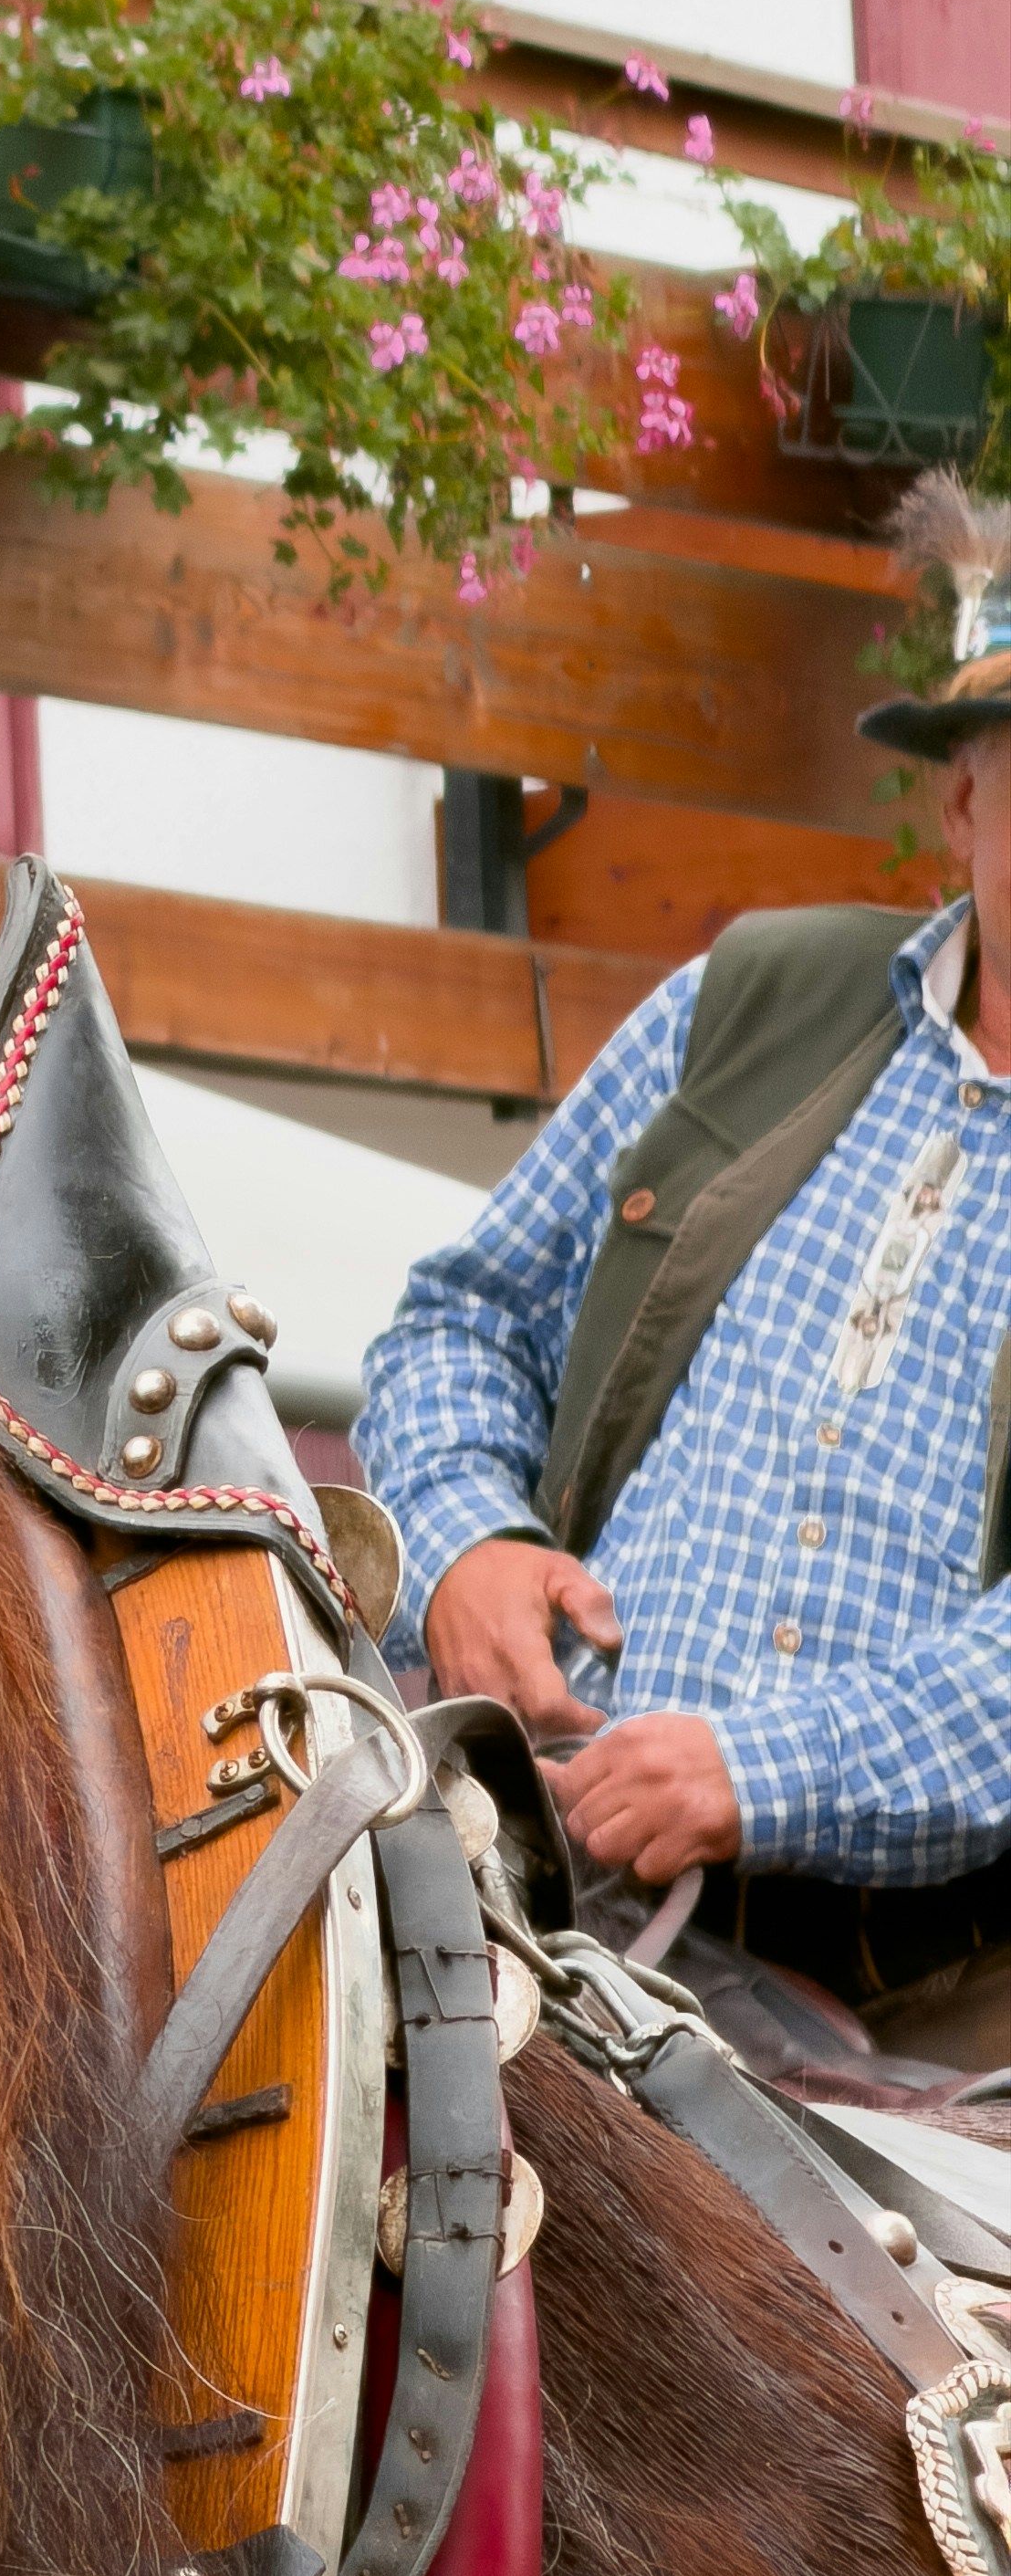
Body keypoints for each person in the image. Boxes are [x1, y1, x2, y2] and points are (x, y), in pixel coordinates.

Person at [355, 474, 1011, 2070]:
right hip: (494, 1853)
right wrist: (464, 1547)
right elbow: (464, 1317)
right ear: (963, 807)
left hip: (900, 2001)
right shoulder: (753, 995)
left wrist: (754, 1771)